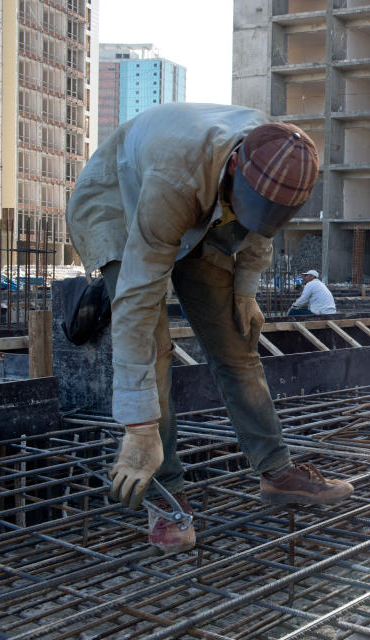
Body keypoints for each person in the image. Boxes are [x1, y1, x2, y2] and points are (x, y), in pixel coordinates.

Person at [65, 103, 354, 555]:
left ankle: (277, 471)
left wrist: (245, 289)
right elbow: (140, 302)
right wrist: (138, 427)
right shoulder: (174, 179)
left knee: (236, 344)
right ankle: (168, 495)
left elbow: (261, 229)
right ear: (236, 166)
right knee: (155, 350)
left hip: (207, 217)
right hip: (123, 206)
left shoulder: (278, 159)